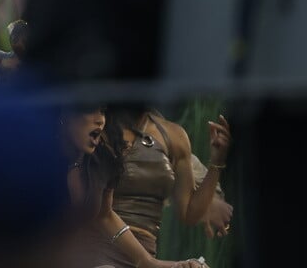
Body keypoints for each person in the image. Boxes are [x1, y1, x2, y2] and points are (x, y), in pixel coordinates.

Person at [61, 105, 208, 268]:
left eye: (102, 112)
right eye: (90, 110)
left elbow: (105, 215)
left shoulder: (100, 160)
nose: (100, 120)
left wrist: (151, 262)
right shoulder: (47, 158)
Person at [95, 106, 232, 266]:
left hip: (147, 251)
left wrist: (216, 162)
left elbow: (189, 212)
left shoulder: (173, 135)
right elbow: (100, 212)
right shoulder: (97, 127)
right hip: (100, 246)